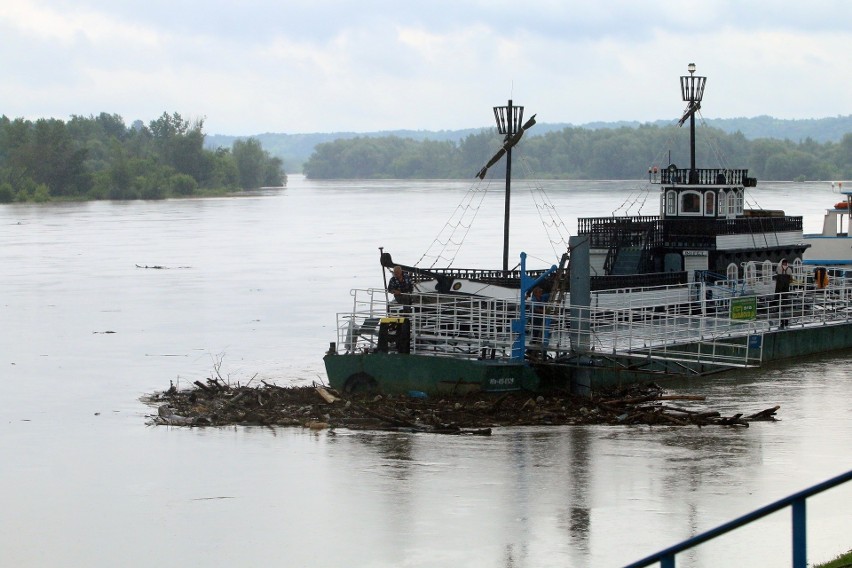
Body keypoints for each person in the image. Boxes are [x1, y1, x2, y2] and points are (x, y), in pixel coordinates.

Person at [775, 259, 793, 328]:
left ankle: (783, 321)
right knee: (784, 303)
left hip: (781, 288)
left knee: (781, 302)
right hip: (783, 289)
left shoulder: (780, 268)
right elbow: (791, 278)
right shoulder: (788, 269)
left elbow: (776, 274)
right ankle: (784, 322)